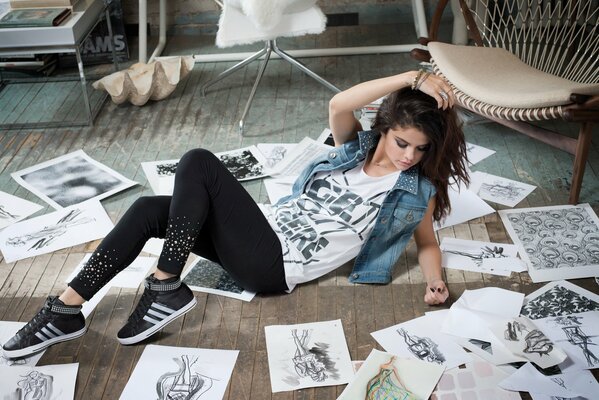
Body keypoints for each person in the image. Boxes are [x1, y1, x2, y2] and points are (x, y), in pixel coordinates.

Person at [2, 70, 468, 359]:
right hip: (260, 234)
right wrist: (413, 77)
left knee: (198, 161)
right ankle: (66, 308)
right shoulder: (351, 149)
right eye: (401, 142)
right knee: (147, 209)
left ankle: (165, 285)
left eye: (420, 149)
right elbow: (338, 103)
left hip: (275, 264)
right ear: (383, 128)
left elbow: (426, 241)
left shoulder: (415, 191)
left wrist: (434, 280)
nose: (408, 156)